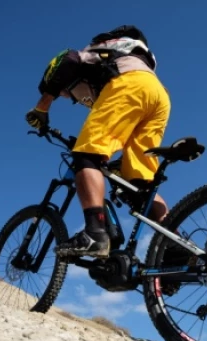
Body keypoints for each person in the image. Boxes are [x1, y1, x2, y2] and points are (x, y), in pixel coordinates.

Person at [25, 25, 174, 259]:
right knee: (137, 185)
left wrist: (42, 107)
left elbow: (68, 60)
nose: (69, 96)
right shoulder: (128, 57)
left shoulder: (87, 56)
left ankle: (95, 234)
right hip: (158, 95)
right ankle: (177, 248)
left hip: (128, 85)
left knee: (87, 156)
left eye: (66, 93)